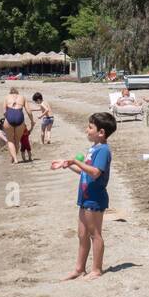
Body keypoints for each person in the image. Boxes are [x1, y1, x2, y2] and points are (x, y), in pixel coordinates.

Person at [52, 112, 116, 281]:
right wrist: (67, 165)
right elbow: (84, 172)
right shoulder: (93, 148)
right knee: (82, 234)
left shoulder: (103, 150)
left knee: (95, 234)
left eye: (90, 127)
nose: (86, 130)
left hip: (95, 197)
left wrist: (75, 160)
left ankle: (96, 269)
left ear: (101, 132)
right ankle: (80, 269)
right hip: (85, 196)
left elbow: (95, 173)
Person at [4, 87, 29, 155]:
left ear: (10, 93)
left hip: (10, 116)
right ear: (17, 93)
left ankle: (14, 159)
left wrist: (6, 119)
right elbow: (28, 111)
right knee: (17, 141)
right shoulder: (22, 97)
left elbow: (4, 111)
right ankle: (14, 157)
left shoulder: (7, 97)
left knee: (10, 140)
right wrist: (32, 121)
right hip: (19, 116)